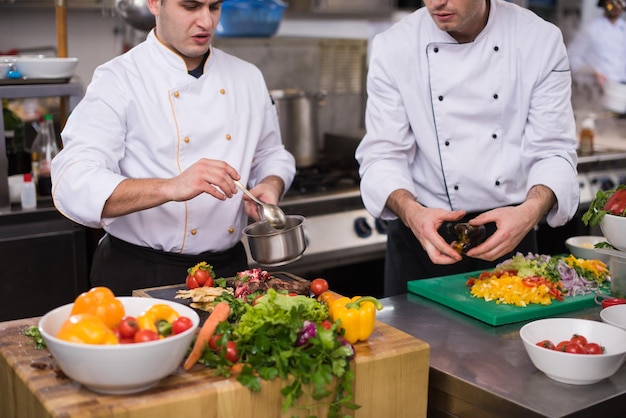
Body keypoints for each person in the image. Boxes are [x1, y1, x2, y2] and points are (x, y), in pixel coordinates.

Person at [51, 0, 295, 295]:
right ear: (154, 3)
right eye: (190, 6)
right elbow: (73, 181)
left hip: (230, 271)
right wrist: (170, 187)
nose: (206, 21)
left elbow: (271, 154)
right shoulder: (118, 79)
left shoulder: (248, 77)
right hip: (141, 273)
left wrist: (270, 184)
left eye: (214, 7)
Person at [355, 0, 580, 297]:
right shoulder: (394, 46)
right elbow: (382, 154)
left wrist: (530, 211)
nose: (437, 3)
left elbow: (554, 149)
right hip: (422, 240)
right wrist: (411, 213)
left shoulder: (538, 40)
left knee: (508, 344)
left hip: (511, 240)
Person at [567, 0, 626, 90]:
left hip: (622, 89)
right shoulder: (591, 28)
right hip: (596, 90)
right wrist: (592, 73)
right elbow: (572, 57)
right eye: (612, 3)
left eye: (620, 3)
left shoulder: (624, 28)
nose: (616, 7)